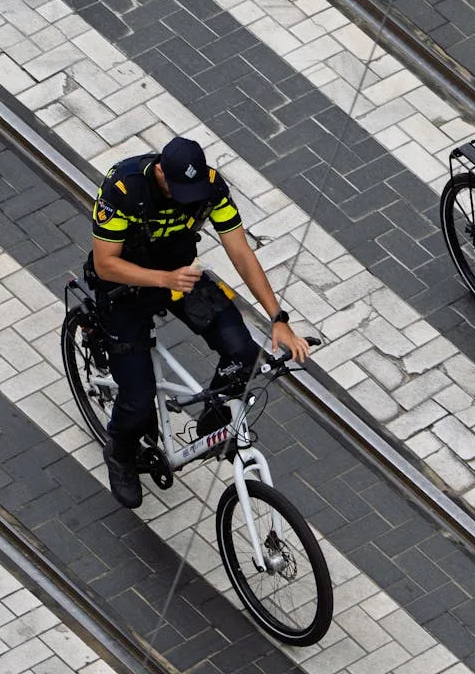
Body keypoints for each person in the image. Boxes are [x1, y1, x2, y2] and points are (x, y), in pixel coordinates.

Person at [88, 136, 310, 508]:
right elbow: (104, 263)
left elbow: (239, 250)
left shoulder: (211, 186)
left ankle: (212, 420)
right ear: (160, 171)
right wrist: (164, 279)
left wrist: (278, 317)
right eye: (178, 190)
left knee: (243, 354)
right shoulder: (124, 187)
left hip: (181, 278)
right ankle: (120, 453)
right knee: (138, 399)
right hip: (123, 290)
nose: (185, 199)